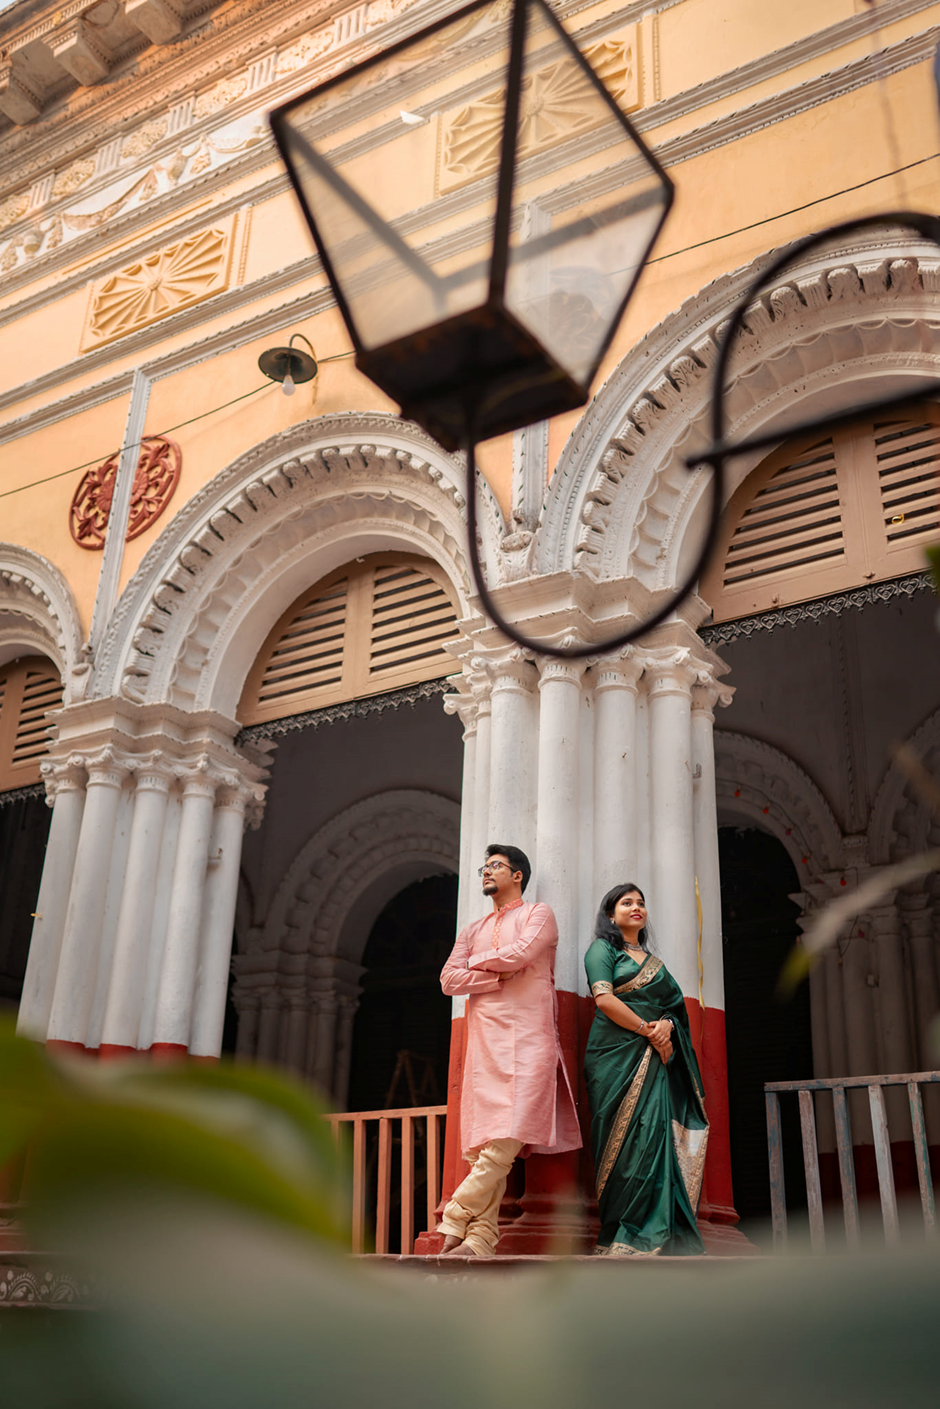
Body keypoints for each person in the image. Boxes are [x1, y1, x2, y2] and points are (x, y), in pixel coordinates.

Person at [436, 843, 581, 1257]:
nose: (486, 872)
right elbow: (448, 979)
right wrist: (495, 979)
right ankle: (481, 1239)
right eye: (484, 867)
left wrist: (476, 966)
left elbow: (523, 952)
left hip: (530, 1037)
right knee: (485, 1141)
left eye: (495, 866)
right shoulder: (473, 928)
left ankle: (456, 1214)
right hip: (485, 1041)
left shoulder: (539, 915)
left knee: (512, 1132)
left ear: (517, 875)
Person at [583, 882, 708, 1257]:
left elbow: (675, 1010)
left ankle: (653, 1233)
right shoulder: (602, 950)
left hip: (654, 1059)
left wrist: (666, 1026)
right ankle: (619, 1234)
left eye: (641, 903)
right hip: (613, 1059)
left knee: (653, 1138)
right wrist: (647, 1030)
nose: (636, 907)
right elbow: (603, 999)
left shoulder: (656, 965)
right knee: (622, 1147)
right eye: (626, 902)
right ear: (611, 914)